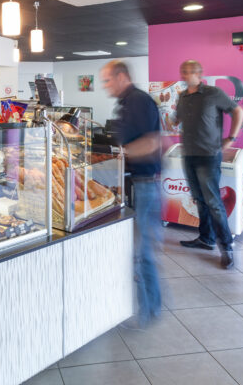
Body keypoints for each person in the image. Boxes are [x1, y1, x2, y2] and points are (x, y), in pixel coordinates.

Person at [101, 60, 163, 325]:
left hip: (144, 185)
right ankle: (146, 305)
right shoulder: (126, 103)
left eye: (107, 81)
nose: (105, 86)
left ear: (122, 77)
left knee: (142, 251)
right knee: (136, 249)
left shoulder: (139, 101)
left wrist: (118, 155)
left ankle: (150, 309)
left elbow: (151, 142)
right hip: (133, 183)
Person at [175, 60, 243, 269]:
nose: (185, 75)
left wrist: (231, 138)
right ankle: (206, 239)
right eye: (183, 72)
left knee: (213, 202)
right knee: (200, 199)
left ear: (200, 73)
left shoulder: (213, 93)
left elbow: (238, 112)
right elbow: (177, 119)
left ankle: (227, 247)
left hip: (208, 155)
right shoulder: (182, 96)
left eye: (189, 72)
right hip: (188, 155)